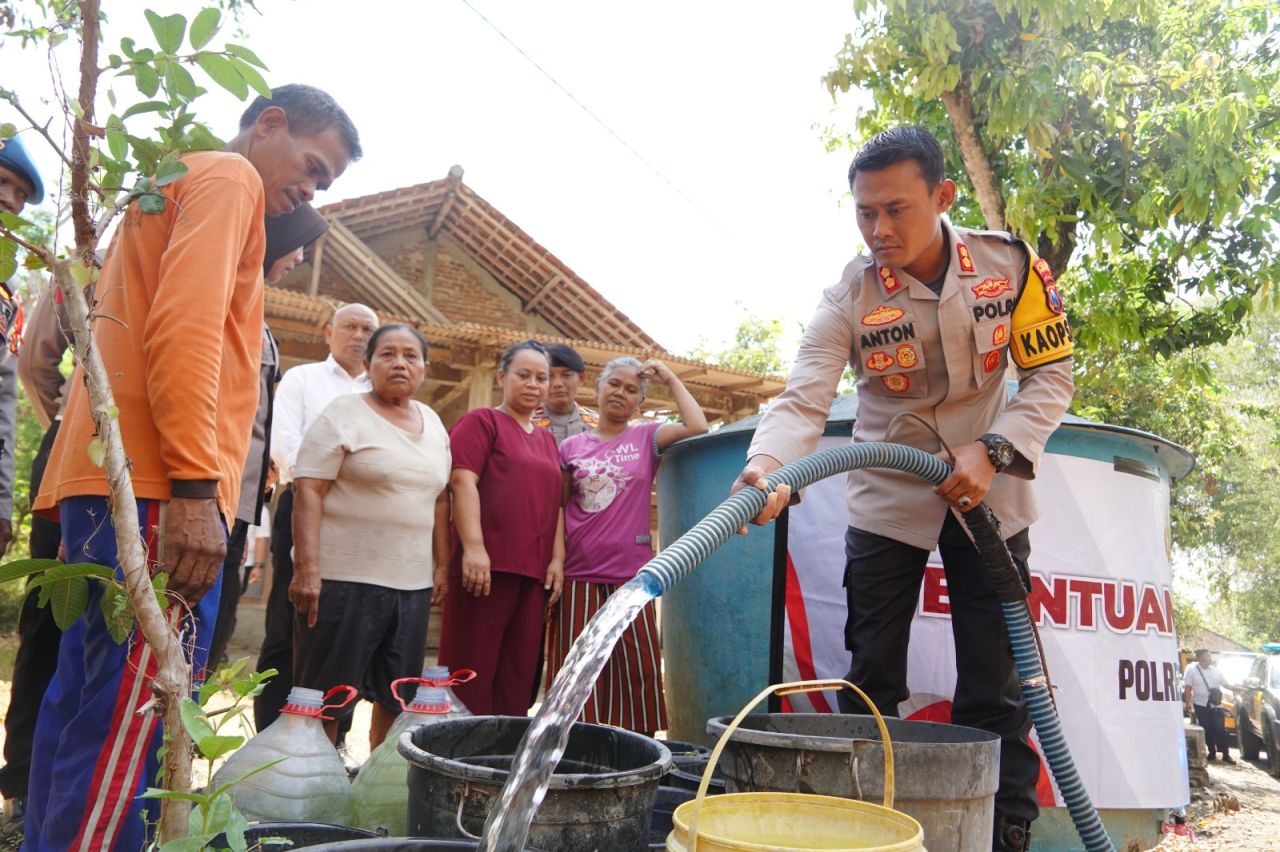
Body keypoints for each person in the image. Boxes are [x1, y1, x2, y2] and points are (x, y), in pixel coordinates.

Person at [25, 83, 361, 852]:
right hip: (154, 486)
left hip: (110, 479)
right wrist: (191, 491)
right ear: (269, 123)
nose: (310, 192)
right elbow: (186, 329)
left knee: (83, 707)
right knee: (135, 717)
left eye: (324, 184)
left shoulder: (169, 183)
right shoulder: (230, 177)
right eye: (313, 167)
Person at [734, 126, 1073, 852]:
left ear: (942, 196)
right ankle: (868, 828)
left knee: (997, 680)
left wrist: (995, 450)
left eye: (896, 209)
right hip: (890, 494)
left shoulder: (1011, 267)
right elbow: (802, 400)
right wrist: (768, 469)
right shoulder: (848, 296)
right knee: (871, 674)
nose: (879, 229)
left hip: (991, 490)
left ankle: (1004, 830)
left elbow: (1050, 377)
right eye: (865, 212)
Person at [290, 323, 450, 747]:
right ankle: (315, 778)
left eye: (410, 356)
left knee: (397, 696)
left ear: (424, 368)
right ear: (367, 364)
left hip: (411, 587)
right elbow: (308, 489)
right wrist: (307, 569)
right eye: (387, 354)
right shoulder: (343, 412)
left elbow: (439, 499)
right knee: (326, 698)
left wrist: (442, 565)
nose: (399, 363)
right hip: (342, 581)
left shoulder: (434, 423)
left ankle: (374, 780)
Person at [547, 357, 707, 734]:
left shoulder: (646, 438)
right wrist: (556, 560)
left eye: (631, 389)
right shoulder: (570, 447)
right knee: (577, 671)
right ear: (598, 389)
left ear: (640, 401)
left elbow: (697, 425)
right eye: (614, 384)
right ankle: (576, 747)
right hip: (579, 575)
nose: (620, 393)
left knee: (638, 671)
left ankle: (636, 751)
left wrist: (669, 376)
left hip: (633, 578)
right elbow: (558, 507)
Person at [206, 202, 330, 671]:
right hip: (207, 496)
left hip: (237, 506)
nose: (299, 258)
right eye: (296, 244)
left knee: (211, 635)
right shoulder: (220, 299)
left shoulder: (255, 313)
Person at [255, 300, 379, 731]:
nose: (358, 335)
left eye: (367, 329)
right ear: (328, 332)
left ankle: (333, 736)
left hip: (363, 518)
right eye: (349, 326)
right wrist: (333, 481)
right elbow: (285, 446)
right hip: (304, 504)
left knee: (350, 625)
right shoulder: (302, 379)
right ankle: (270, 735)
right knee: (287, 620)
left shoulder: (379, 392)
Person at [437, 340, 564, 716]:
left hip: (533, 574)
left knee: (517, 677)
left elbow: (556, 504)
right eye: (523, 375)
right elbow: (462, 481)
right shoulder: (481, 422)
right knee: (470, 673)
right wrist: (474, 547)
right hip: (485, 570)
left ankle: (504, 749)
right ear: (501, 377)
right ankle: (458, 747)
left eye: (541, 378)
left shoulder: (547, 440)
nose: (533, 384)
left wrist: (557, 559)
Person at [0, 131, 44, 837]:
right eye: (1, 183)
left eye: (18, 194)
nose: (8, 201)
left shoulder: (7, 297)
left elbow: (5, 400)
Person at [533, 342, 598, 442]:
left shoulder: (598, 425)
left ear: (581, 378)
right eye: (549, 376)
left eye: (566, 375)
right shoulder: (524, 424)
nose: (557, 383)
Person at [1184, 649, 1234, 764]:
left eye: (1210, 656)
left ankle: (1226, 754)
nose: (1210, 658)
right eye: (1207, 656)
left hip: (1216, 704)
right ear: (1200, 658)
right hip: (1200, 704)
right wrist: (1187, 703)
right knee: (1207, 729)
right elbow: (1188, 688)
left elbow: (1226, 684)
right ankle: (1212, 752)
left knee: (1220, 729)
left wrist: (1236, 689)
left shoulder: (1216, 670)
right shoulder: (1192, 671)